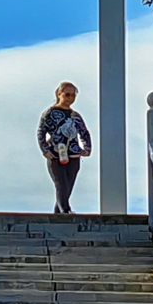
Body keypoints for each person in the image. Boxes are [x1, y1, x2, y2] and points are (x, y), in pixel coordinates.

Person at [36, 81, 92, 214]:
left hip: (73, 155)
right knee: (61, 184)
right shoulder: (50, 113)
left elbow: (84, 132)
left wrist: (86, 149)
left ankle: (58, 214)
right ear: (59, 94)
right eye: (67, 95)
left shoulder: (75, 116)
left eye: (73, 95)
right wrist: (45, 150)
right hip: (56, 154)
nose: (70, 98)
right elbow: (41, 131)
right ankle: (66, 211)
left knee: (68, 187)